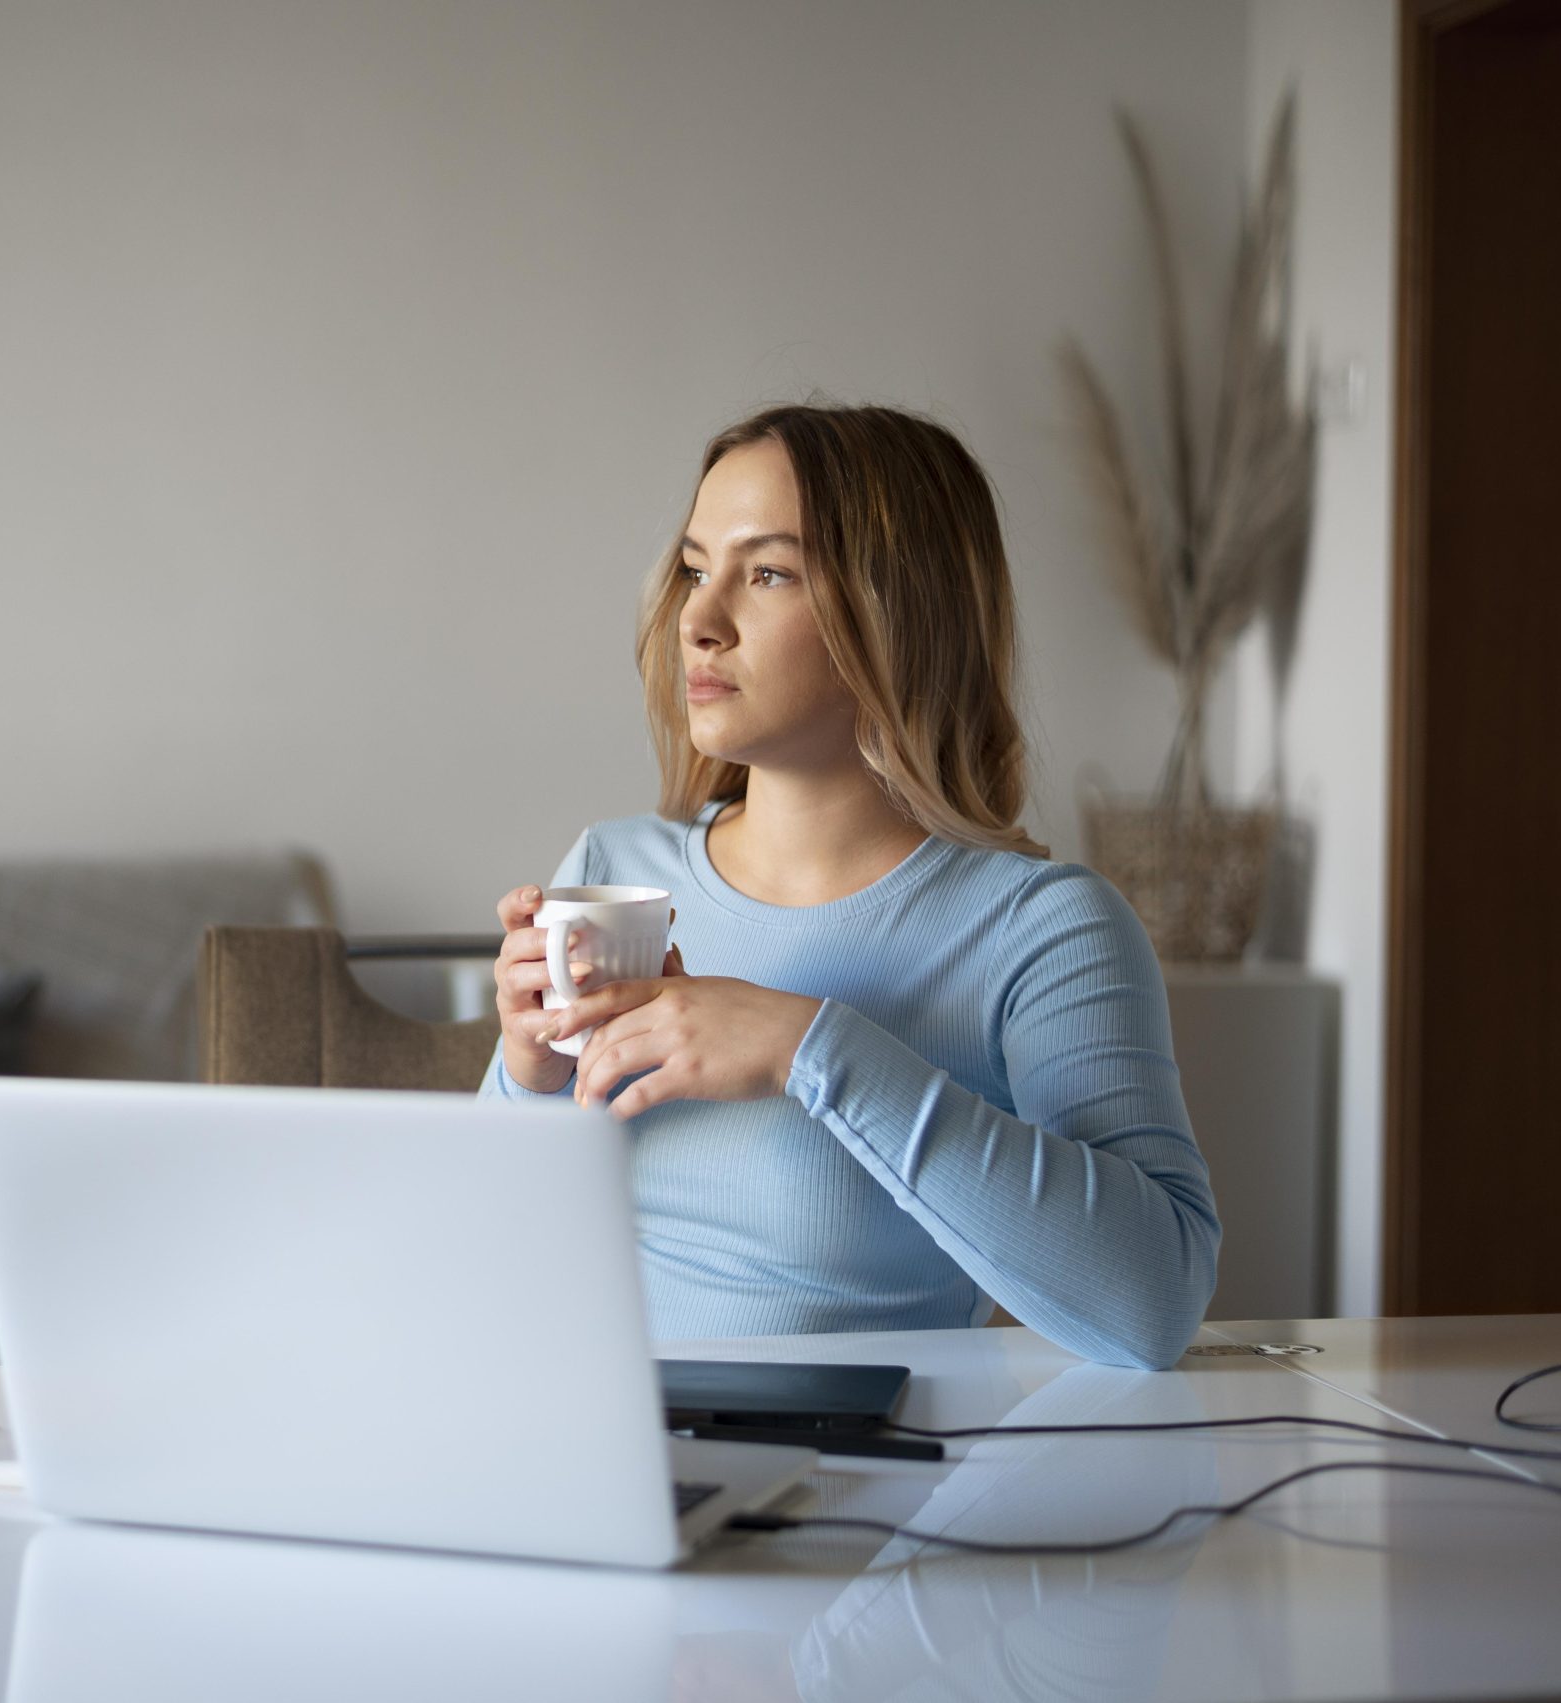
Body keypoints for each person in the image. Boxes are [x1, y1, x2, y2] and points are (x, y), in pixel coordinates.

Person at [479, 402, 1218, 1370]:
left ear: (894, 612)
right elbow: (493, 1261)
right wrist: (526, 1076)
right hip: (603, 1444)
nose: (698, 621)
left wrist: (805, 1045)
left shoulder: (1042, 929)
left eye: (768, 572)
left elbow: (1153, 1301)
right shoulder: (613, 873)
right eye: (697, 569)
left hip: (865, 1483)